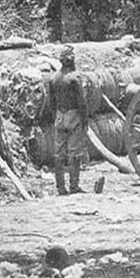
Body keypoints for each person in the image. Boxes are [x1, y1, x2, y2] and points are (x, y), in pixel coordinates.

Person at [49, 45, 88, 195]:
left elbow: (51, 102)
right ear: (70, 61)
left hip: (60, 117)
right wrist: (85, 121)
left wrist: (57, 117)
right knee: (74, 153)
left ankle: (60, 188)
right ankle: (74, 186)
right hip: (74, 117)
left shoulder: (54, 78)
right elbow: (82, 102)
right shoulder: (75, 78)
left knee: (58, 154)